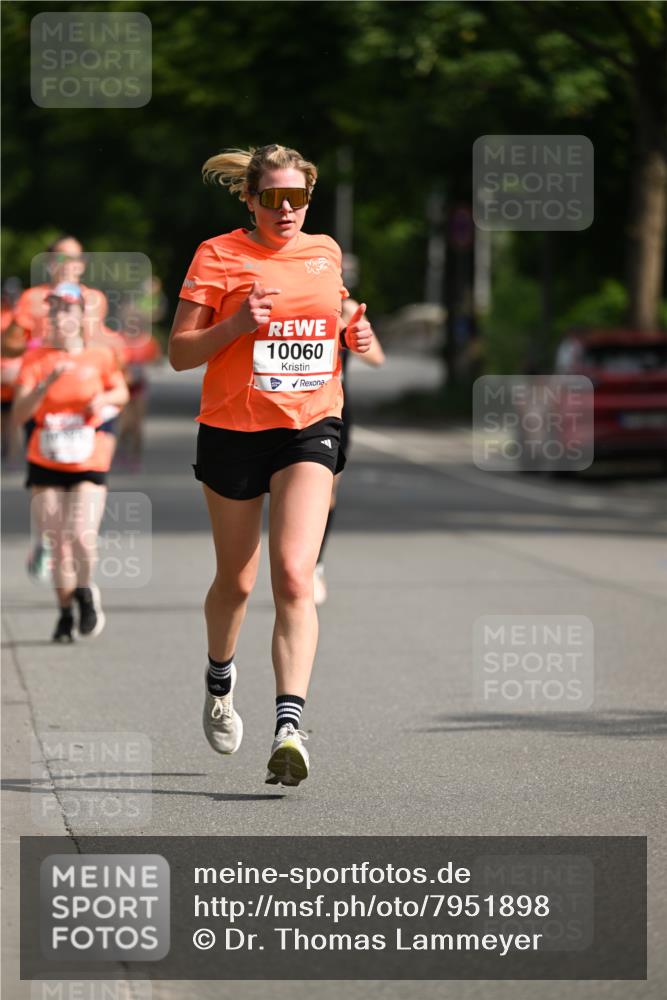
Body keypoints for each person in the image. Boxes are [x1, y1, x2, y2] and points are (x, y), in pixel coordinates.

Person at [169, 143, 372, 786]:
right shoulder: (218, 255)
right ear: (250, 199)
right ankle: (220, 680)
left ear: (309, 199)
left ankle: (290, 727)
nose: (287, 210)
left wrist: (352, 332)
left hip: (309, 425)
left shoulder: (326, 251)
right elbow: (177, 353)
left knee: (292, 573)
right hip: (233, 430)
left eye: (298, 198)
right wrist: (235, 325)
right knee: (237, 580)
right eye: (273, 198)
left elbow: (332, 317)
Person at [11, 282, 129, 642]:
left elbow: (121, 391)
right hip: (45, 455)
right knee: (56, 541)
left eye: (68, 308)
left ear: (81, 315)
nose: (61, 315)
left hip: (88, 455)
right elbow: (17, 414)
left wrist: (103, 399)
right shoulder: (34, 359)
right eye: (55, 308)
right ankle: (65, 612)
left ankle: (85, 590)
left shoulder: (99, 354)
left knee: (80, 535)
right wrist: (44, 385)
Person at [313, 293, 385, 605]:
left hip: (336, 410)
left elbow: (377, 358)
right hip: (294, 406)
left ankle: (314, 565)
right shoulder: (300, 297)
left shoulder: (348, 308)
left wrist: (355, 323)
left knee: (326, 495)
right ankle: (293, 564)